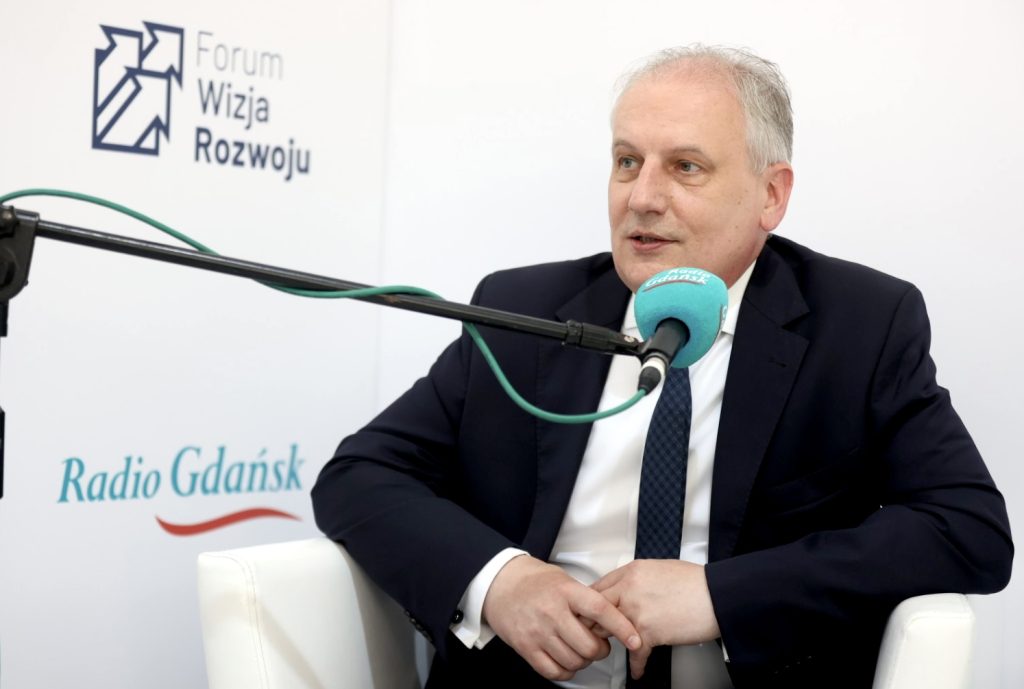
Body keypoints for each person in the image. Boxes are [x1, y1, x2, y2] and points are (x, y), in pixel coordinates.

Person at [312, 45, 1013, 689]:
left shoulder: (859, 324)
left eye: (685, 167)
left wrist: (719, 595)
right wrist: (502, 581)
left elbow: (967, 528)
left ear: (771, 194)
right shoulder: (524, 310)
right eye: (627, 161)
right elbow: (360, 475)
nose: (641, 197)